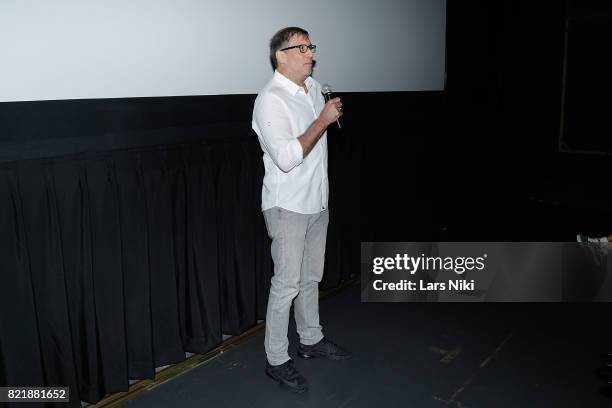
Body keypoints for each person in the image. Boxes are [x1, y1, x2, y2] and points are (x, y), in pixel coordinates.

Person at [252, 26, 351, 393]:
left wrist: (323, 111)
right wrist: (322, 120)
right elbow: (289, 157)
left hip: (316, 202)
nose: (311, 53)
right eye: (302, 47)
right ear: (281, 55)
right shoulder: (270, 100)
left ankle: (310, 340)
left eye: (311, 46)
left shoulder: (313, 87)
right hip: (287, 205)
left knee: (311, 277)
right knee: (287, 284)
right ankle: (276, 359)